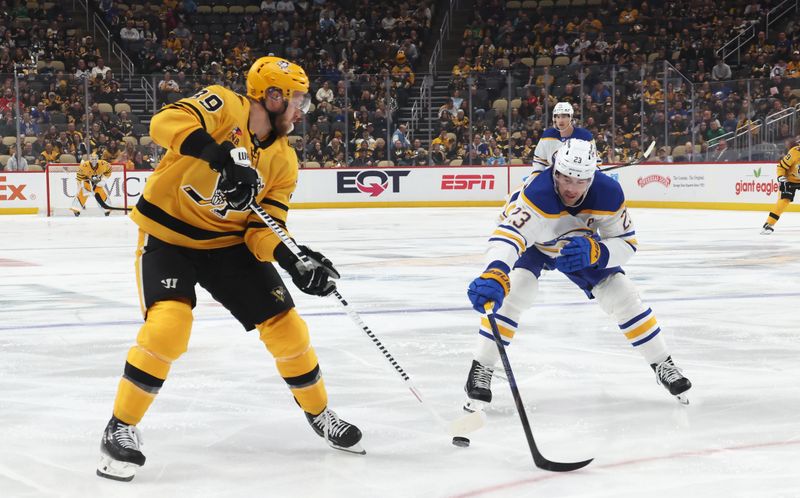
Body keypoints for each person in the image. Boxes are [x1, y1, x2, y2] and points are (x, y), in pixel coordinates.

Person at [97, 56, 364, 482]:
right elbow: (162, 123)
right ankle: (121, 425)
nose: (302, 111)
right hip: (168, 237)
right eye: (297, 100)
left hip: (227, 247)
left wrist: (293, 259)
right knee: (169, 326)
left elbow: (263, 228)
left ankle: (319, 413)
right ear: (272, 96)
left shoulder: (283, 160)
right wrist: (217, 154)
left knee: (287, 327)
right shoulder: (224, 105)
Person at [462, 139, 692, 415]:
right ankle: (482, 366)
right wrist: (496, 270)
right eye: (565, 178)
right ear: (555, 172)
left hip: (576, 246)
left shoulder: (609, 193)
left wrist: (598, 252)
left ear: (592, 177)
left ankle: (662, 363)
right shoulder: (538, 193)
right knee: (517, 290)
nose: (571, 188)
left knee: (621, 293)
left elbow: (626, 243)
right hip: (536, 243)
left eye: (580, 181)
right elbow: (509, 237)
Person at [531, 102, 595, 175]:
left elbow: (595, 162)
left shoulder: (585, 136)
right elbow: (539, 161)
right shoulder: (548, 135)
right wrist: (537, 176)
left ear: (570, 117)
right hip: (554, 178)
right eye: (558, 117)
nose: (560, 120)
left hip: (579, 180)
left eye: (564, 117)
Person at [761, 139, 800, 234]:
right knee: (783, 201)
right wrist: (781, 177)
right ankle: (768, 224)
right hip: (790, 180)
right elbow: (781, 167)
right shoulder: (795, 152)